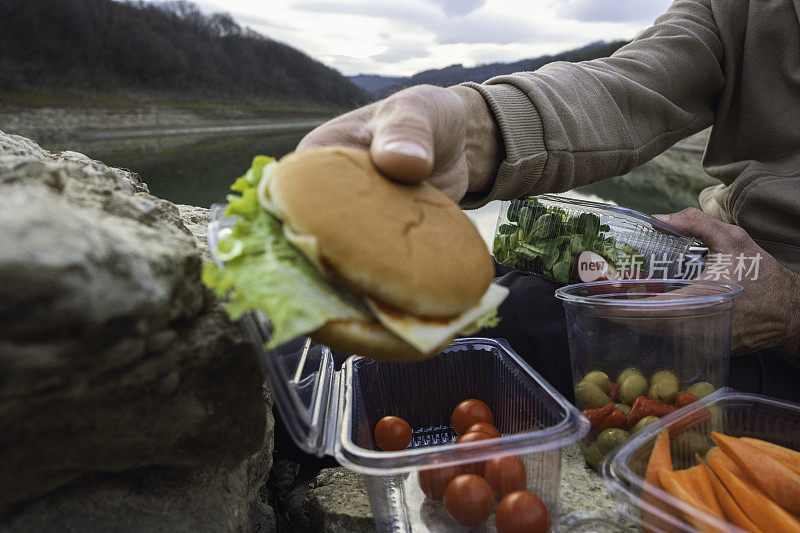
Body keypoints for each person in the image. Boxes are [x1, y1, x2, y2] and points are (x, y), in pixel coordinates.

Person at [297, 0, 800, 400]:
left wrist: (790, 311)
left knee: (506, 325)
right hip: (699, 267)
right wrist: (474, 128)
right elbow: (628, 88)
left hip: (776, 339)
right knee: (483, 287)